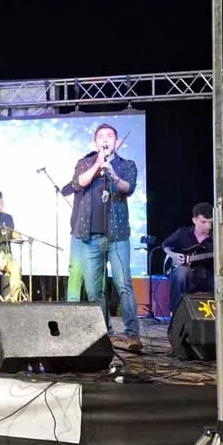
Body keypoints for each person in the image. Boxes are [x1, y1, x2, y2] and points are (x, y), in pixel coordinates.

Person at [69, 123, 141, 351]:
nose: (106, 139)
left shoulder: (126, 164)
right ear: (95, 142)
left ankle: (132, 334)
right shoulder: (85, 162)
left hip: (118, 237)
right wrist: (98, 164)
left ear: (116, 142)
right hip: (90, 237)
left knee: (123, 285)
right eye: (101, 136)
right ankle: (104, 333)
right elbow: (78, 182)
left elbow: (128, 187)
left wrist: (113, 174)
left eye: (110, 136)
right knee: (94, 290)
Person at [163, 202, 216, 314]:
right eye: (203, 222)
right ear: (194, 220)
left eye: (210, 222)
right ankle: (175, 313)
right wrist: (174, 255)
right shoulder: (183, 233)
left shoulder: (215, 238)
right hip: (186, 276)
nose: (208, 226)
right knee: (182, 271)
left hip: (206, 277)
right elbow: (165, 245)